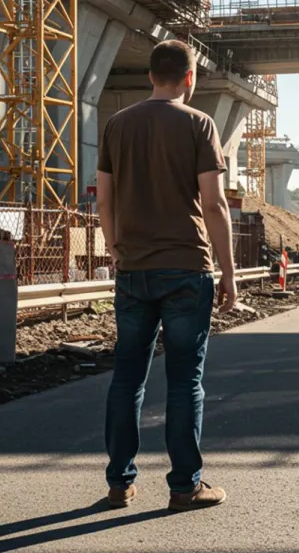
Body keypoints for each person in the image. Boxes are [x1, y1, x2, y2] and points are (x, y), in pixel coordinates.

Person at [97, 40, 238, 512]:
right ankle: (185, 486)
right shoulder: (199, 124)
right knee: (183, 381)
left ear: (150, 76)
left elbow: (104, 200)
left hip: (133, 270)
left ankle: (119, 483)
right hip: (185, 270)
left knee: (127, 379)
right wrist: (229, 273)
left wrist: (116, 248)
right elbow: (214, 204)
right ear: (190, 78)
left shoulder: (117, 125)